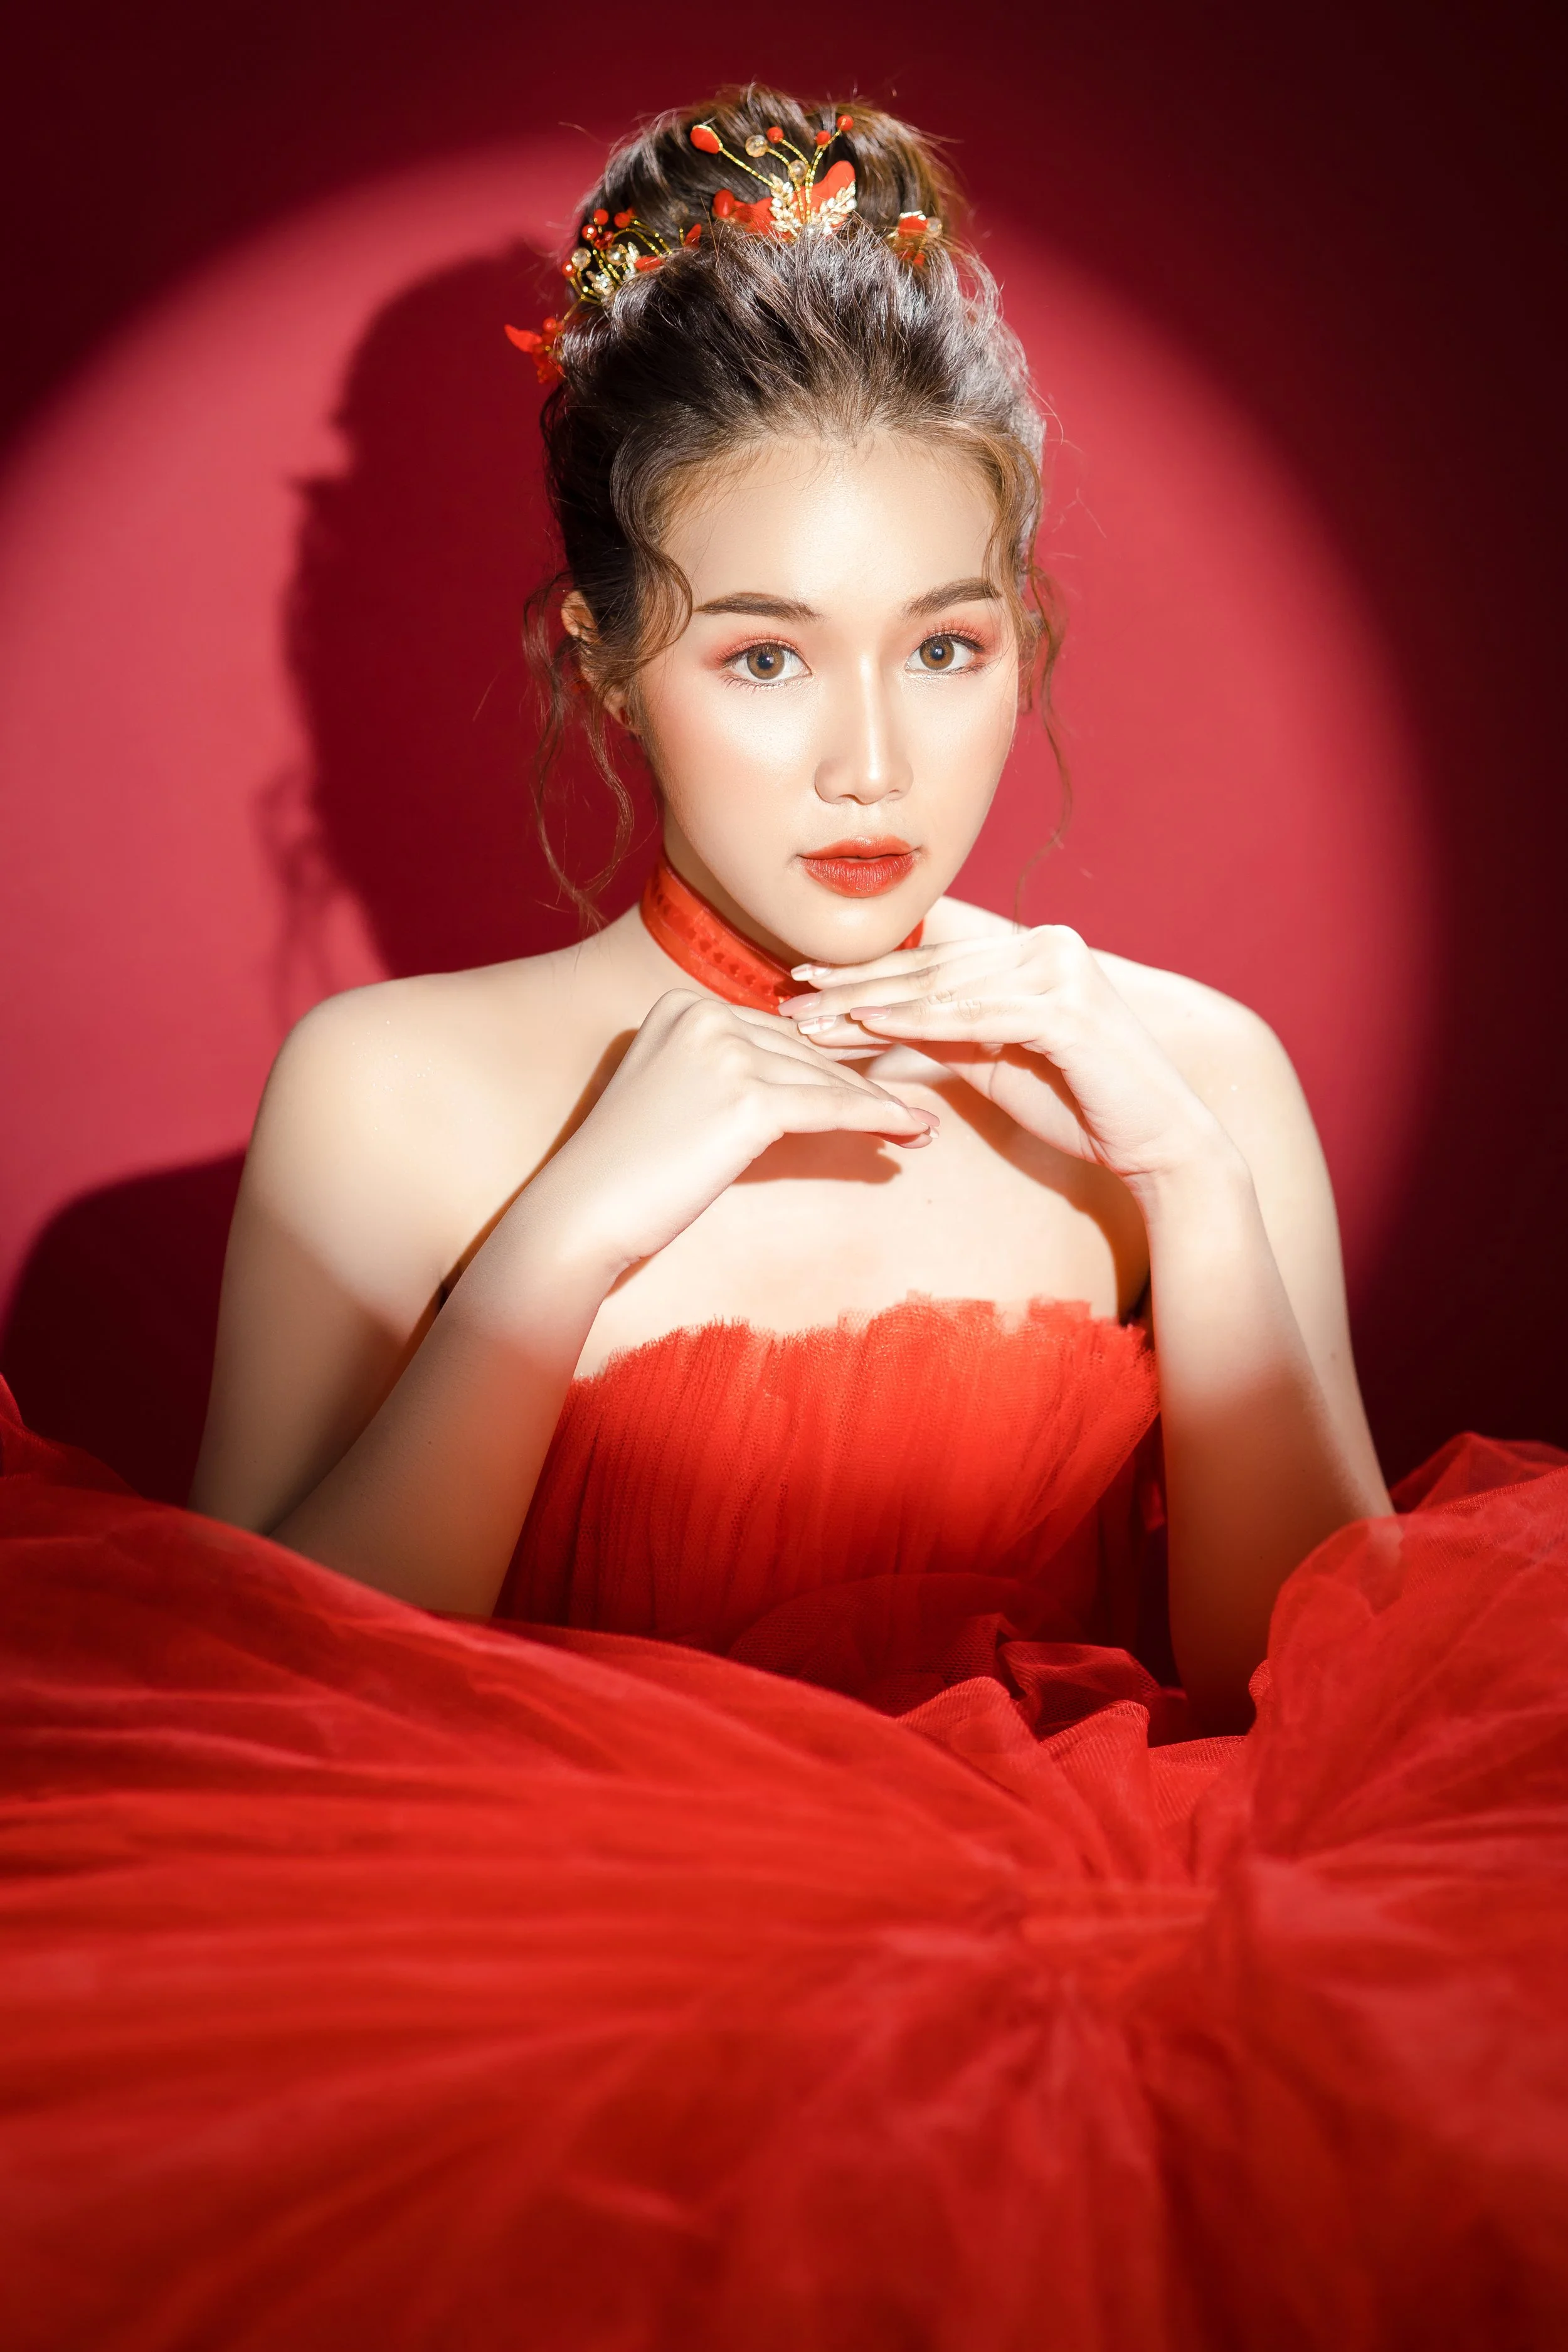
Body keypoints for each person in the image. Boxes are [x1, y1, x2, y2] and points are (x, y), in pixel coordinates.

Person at [2, 83, 1565, 2352]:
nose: (869, 764)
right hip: (544, 2060)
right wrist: (568, 1234)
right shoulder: (391, 1085)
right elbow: (251, 1722)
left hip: (1103, 2022)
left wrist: (1192, 1187)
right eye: (761, 654)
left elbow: (1304, 1693)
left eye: (944, 646)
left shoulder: (1187, 1069)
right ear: (599, 657)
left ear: (1023, 635)